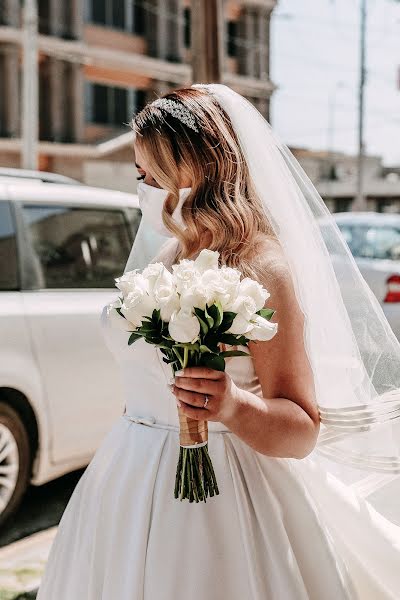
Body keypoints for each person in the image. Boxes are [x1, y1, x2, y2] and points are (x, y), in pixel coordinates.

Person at [36, 84, 400, 600]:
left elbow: (301, 430)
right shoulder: (167, 253)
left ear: (198, 169)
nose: (146, 189)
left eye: (155, 175)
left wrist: (232, 403)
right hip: (127, 476)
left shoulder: (262, 266)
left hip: (227, 493)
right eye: (141, 176)